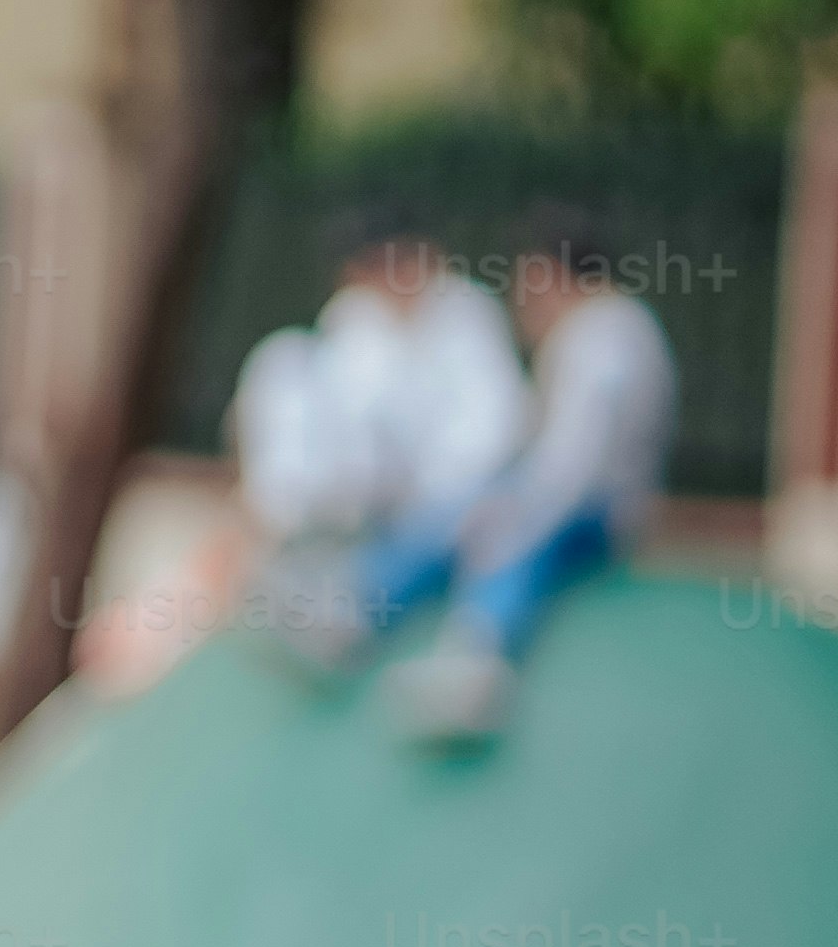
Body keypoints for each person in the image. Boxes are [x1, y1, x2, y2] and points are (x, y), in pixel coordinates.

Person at [376, 214, 674, 740]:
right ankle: (369, 603)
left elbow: (575, 467)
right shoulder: (612, 330)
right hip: (589, 501)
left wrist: (516, 512)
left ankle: (473, 664)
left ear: (549, 276)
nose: (522, 304)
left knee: (506, 534)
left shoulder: (603, 339)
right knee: (476, 513)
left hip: (595, 512)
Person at [243, 212, 527, 659]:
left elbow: (494, 427)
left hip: (452, 494)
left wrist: (427, 492)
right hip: (376, 496)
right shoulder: (353, 319)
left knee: (451, 519)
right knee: (284, 363)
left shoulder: (470, 312)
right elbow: (343, 416)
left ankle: (351, 613)